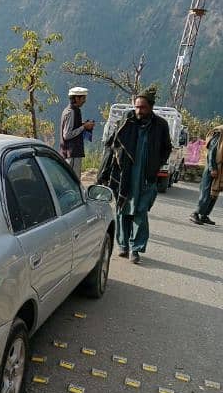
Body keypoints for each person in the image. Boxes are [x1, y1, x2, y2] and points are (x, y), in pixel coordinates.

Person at [97, 90, 172, 264]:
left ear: (150, 107)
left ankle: (136, 249)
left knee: (140, 212)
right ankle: (123, 245)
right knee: (123, 210)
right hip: (125, 175)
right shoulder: (126, 121)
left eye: (143, 108)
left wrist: (156, 164)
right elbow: (112, 145)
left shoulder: (160, 125)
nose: (139, 111)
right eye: (137, 107)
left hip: (146, 177)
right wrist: (104, 172)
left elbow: (166, 148)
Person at [190, 124, 223, 225]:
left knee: (214, 194)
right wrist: (212, 168)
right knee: (206, 192)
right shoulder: (219, 133)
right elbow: (211, 152)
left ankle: (204, 215)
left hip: (220, 169)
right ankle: (195, 214)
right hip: (212, 168)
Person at [59, 86, 95, 177]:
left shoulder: (72, 110)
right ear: (76, 98)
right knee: (73, 181)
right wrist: (84, 127)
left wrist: (84, 125)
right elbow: (67, 135)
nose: (84, 101)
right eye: (83, 98)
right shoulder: (71, 112)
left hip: (72, 153)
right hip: (72, 154)